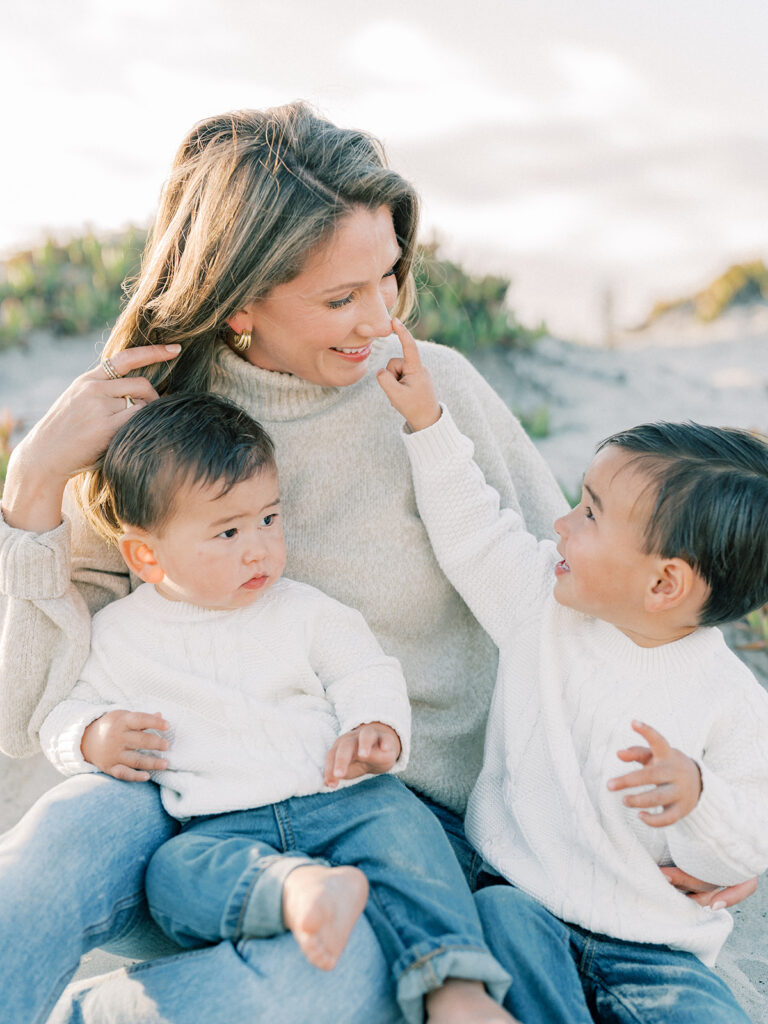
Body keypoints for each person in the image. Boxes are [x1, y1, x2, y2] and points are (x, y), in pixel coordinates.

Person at [0, 103, 752, 1024]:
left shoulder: (431, 396)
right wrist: (33, 492)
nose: (380, 319)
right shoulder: (150, 437)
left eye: (389, 276)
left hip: (398, 824)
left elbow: (586, 612)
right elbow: (24, 719)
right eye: (339, 298)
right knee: (55, 846)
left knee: (341, 972)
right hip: (196, 817)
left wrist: (707, 823)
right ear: (238, 301)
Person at [39, 391, 513, 1024]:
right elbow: (61, 714)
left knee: (410, 843)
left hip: (342, 797)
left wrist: (375, 728)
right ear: (146, 557)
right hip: (221, 825)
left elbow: (364, 671)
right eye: (228, 532)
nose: (258, 547)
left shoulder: (305, 609)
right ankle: (294, 893)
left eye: (269, 518)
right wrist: (92, 735)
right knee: (174, 877)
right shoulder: (121, 636)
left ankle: (456, 987)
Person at [376, 320, 768, 1023]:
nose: (560, 524)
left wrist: (698, 798)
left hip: (657, 949)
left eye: (588, 513)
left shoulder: (731, 704)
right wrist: (429, 424)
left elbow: (745, 849)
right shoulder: (541, 606)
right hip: (523, 900)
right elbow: (475, 534)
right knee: (496, 924)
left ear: (664, 585)